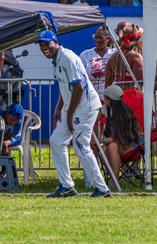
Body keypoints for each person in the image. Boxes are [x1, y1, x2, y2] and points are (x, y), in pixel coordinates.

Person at [36, 30, 111, 198]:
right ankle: (67, 186)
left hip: (84, 107)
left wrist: (69, 115)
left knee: (81, 146)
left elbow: (78, 88)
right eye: (41, 45)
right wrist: (58, 108)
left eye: (47, 44)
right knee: (56, 141)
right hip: (72, 107)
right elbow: (66, 87)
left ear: (55, 42)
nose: (44, 48)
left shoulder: (67, 58)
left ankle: (102, 189)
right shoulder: (56, 59)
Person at [98, 84, 142, 188]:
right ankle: (114, 179)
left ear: (110, 99)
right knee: (103, 149)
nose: (103, 98)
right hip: (116, 144)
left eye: (105, 97)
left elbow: (120, 139)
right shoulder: (105, 109)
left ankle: (114, 181)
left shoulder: (124, 113)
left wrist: (101, 139)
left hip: (131, 146)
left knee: (112, 146)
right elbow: (91, 121)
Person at [80, 26, 114, 94]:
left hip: (110, 97)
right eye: (95, 37)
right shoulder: (85, 54)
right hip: (92, 97)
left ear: (108, 38)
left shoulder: (114, 53)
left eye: (100, 37)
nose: (97, 40)